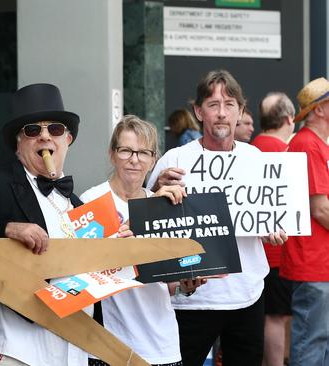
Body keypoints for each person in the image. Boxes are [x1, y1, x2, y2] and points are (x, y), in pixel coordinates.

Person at [147, 69, 287, 366]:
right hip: (191, 299)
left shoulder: (256, 160)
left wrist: (273, 226)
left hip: (247, 294)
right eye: (213, 105)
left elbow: (269, 214)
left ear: (241, 111)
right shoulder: (174, 160)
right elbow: (147, 226)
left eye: (229, 104)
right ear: (198, 111)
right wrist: (157, 191)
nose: (221, 113)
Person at [0, 83, 89, 366]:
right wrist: (7, 229)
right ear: (18, 142)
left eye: (54, 129)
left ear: (68, 139)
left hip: (74, 348)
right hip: (19, 349)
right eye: (33, 130)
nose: (45, 137)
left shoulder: (79, 205)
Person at [80, 115, 203, 366]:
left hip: (163, 345)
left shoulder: (165, 205)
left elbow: (165, 284)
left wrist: (184, 285)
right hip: (110, 347)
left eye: (143, 152)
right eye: (126, 151)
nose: (135, 160)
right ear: (112, 154)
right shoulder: (91, 202)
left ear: (153, 159)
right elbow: (83, 276)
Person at [280, 77, 329, 366]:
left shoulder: (312, 142)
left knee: (317, 341)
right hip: (313, 262)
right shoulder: (308, 144)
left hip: (318, 262)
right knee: (312, 342)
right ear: (320, 109)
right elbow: (319, 208)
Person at [252, 92, 295, 366]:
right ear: (290, 119)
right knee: (277, 316)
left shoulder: (252, 148)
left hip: (256, 252)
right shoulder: (287, 154)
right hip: (279, 252)